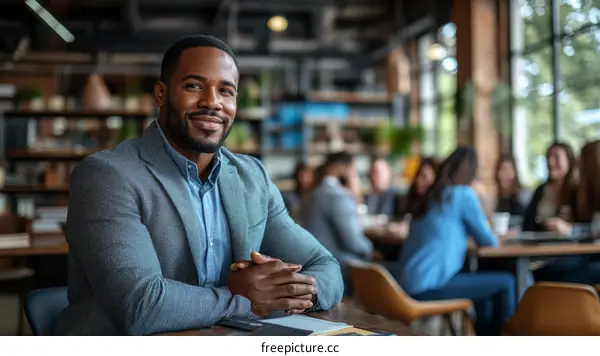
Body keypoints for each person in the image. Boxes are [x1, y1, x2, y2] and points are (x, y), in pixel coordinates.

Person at [54, 35, 343, 335]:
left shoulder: (251, 178)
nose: (212, 102)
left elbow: (326, 266)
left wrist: (293, 291)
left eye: (226, 91)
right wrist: (245, 298)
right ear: (161, 93)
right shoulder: (106, 175)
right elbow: (139, 306)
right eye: (194, 86)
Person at [392, 147, 515, 336]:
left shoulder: (432, 196)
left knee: (485, 290)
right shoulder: (462, 194)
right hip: (428, 286)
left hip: (406, 283)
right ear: (472, 172)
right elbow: (489, 241)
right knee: (506, 281)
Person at [533, 140, 600, 284]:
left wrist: (570, 230)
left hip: (594, 257)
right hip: (590, 255)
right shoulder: (591, 194)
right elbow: (594, 231)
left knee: (557, 277)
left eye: (581, 163)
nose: (578, 167)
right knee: (548, 271)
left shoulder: (577, 191)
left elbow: (594, 232)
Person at [300, 152, 373, 280]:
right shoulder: (339, 197)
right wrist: (370, 249)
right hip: (337, 267)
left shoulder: (309, 195)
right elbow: (353, 242)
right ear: (345, 170)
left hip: (310, 265)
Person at [521, 142, 577, 232]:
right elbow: (527, 224)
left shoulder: (578, 190)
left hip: (572, 244)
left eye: (556, 157)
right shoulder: (541, 190)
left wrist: (568, 228)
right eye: (548, 157)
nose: (550, 162)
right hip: (539, 242)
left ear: (569, 161)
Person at [494, 154, 531, 219]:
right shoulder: (498, 200)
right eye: (501, 170)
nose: (502, 175)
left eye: (507, 170)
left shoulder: (524, 195)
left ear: (515, 173)